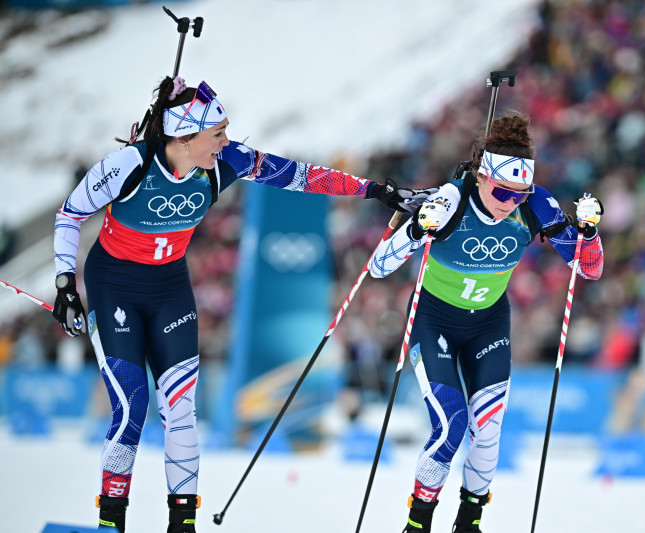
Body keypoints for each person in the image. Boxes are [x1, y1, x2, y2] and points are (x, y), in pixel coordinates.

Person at [50, 75, 433, 533]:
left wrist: (375, 191)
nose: (226, 142)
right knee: (131, 408)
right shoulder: (129, 164)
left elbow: (299, 176)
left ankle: (182, 524)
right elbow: (70, 214)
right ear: (184, 137)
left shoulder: (226, 161)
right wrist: (65, 285)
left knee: (181, 412)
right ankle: (111, 522)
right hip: (115, 286)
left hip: (169, 286)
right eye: (217, 134)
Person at [369, 112, 604, 532]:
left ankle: (469, 522)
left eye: (519, 194)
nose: (510, 202)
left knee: (488, 429)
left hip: (488, 326)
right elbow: (378, 267)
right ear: (480, 177)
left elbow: (589, 269)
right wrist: (416, 230)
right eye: (501, 191)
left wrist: (589, 233)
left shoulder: (536, 205)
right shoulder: (450, 201)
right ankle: (417, 523)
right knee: (452, 425)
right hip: (433, 321)